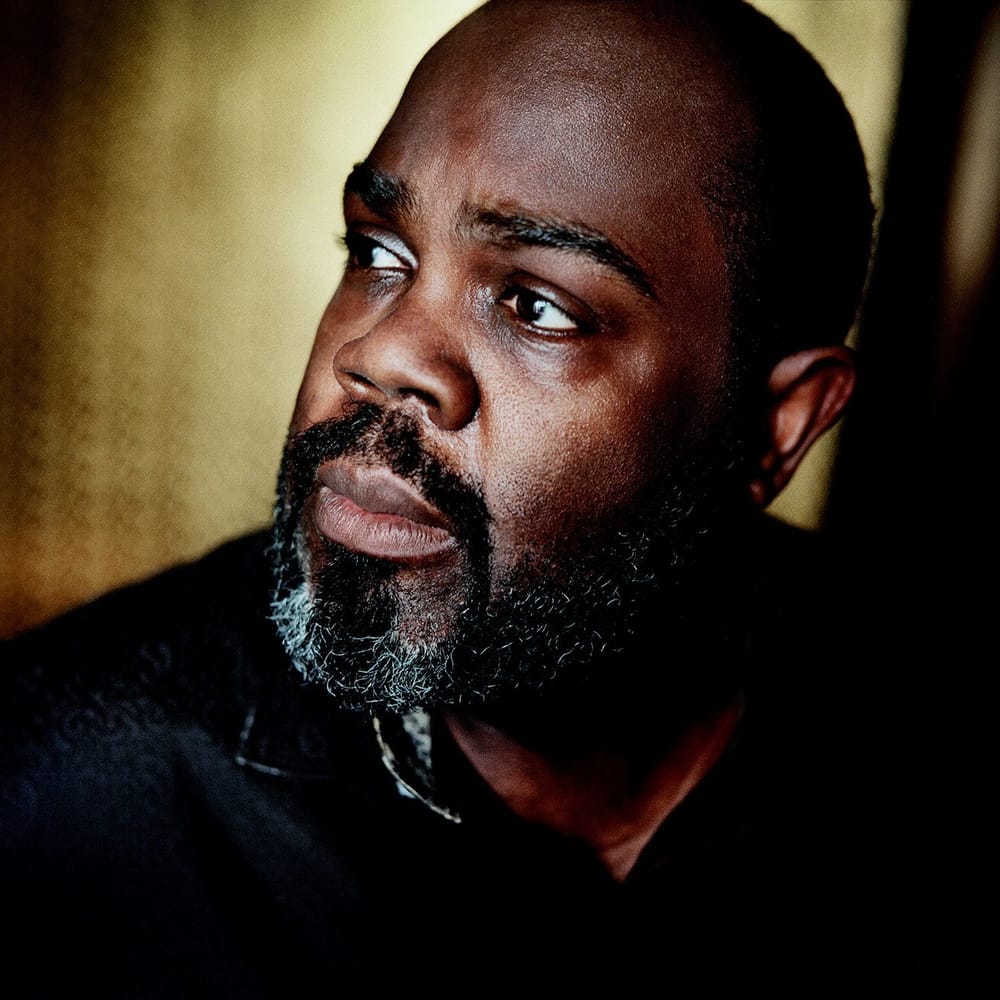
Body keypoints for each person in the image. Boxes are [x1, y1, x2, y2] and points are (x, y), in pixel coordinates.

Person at [1, 0, 924, 993]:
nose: (379, 352)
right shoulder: (60, 797)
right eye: (378, 253)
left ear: (776, 426)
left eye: (537, 305)